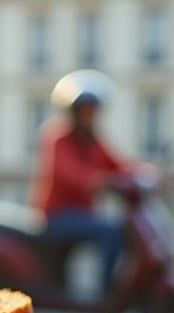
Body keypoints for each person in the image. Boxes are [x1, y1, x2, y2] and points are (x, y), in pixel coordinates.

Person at [32, 69, 129, 297]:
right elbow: (69, 173)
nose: (89, 116)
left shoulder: (95, 140)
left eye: (93, 111)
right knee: (110, 232)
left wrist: (147, 175)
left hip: (82, 214)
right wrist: (100, 179)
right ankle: (106, 293)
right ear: (74, 112)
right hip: (57, 216)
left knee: (117, 229)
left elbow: (120, 165)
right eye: (85, 111)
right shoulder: (57, 138)